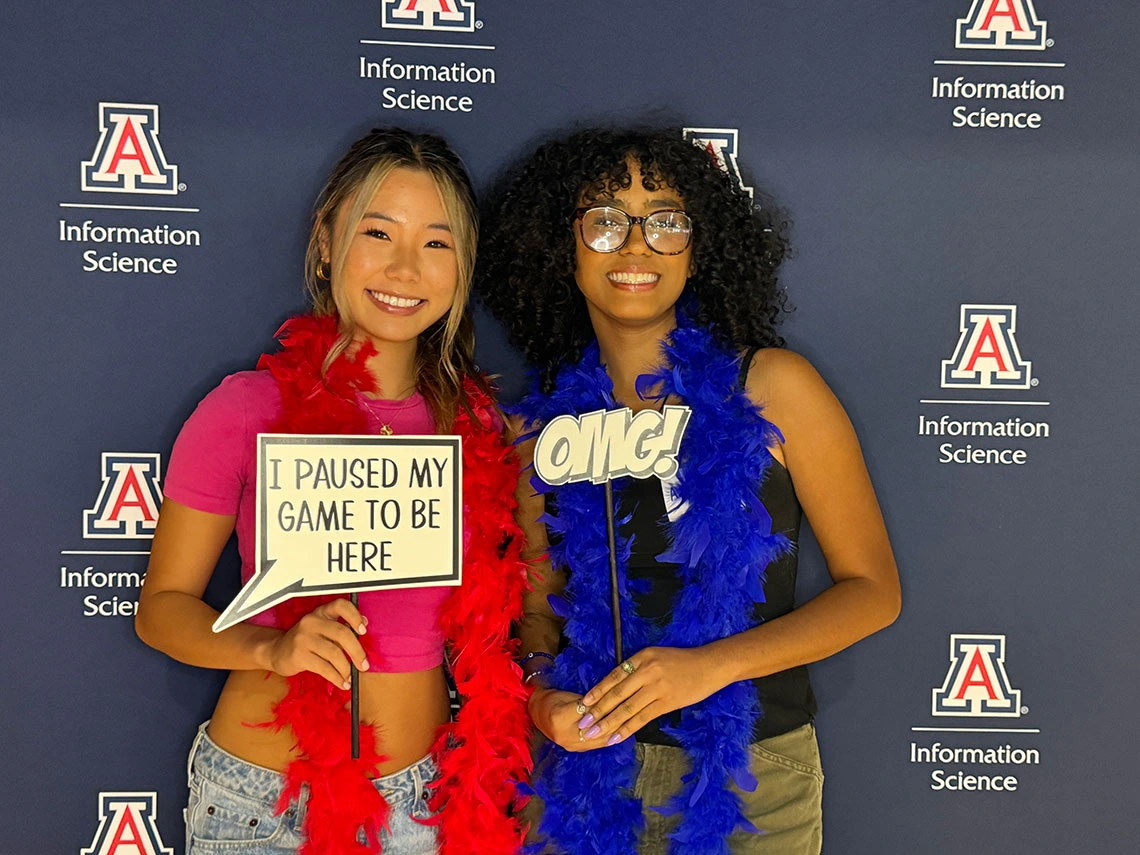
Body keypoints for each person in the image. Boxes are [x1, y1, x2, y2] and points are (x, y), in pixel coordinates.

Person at [476, 127, 901, 855]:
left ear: (696, 247)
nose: (636, 245)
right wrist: (544, 695)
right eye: (605, 220)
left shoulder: (772, 388)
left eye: (665, 220)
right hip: (587, 780)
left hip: (747, 781)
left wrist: (712, 666)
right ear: (564, 249)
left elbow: (874, 590)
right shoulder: (538, 431)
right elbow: (538, 607)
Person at [135, 128, 531, 855]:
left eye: (436, 243)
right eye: (377, 232)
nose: (405, 267)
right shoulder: (247, 409)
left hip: (425, 803)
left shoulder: (479, 428)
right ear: (326, 241)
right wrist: (270, 647)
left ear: (462, 267)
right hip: (262, 804)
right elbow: (161, 611)